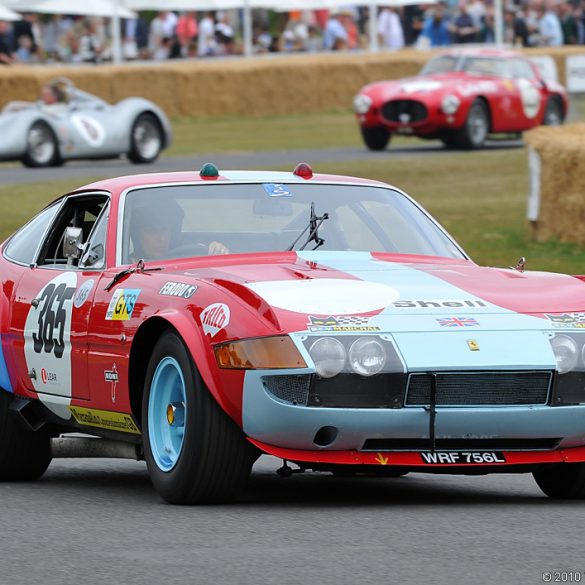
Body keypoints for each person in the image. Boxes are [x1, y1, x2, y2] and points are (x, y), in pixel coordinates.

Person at [129, 203, 229, 262]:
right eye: (152, 231)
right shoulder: (125, 268)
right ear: (137, 235)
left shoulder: (188, 256)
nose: (161, 238)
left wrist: (219, 251)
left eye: (165, 229)